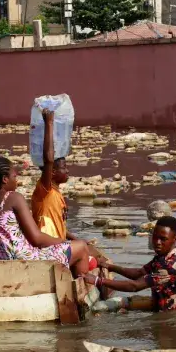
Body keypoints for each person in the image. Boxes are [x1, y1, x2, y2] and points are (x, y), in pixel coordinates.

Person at [0, 156, 90, 277]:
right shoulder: (14, 197)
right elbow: (37, 239)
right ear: (5, 179)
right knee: (82, 247)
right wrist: (64, 242)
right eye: (14, 177)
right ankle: (80, 289)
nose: (17, 181)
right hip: (23, 264)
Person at [31, 108, 109, 269]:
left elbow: (59, 226)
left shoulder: (56, 192)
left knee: (98, 255)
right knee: (96, 263)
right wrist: (49, 124)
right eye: (64, 168)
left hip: (60, 246)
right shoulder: (44, 190)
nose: (67, 171)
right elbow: (48, 159)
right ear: (52, 172)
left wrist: (76, 239)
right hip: (49, 251)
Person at [87, 216, 176, 311]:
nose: (157, 242)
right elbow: (139, 273)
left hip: (169, 319)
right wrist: (110, 267)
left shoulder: (170, 266)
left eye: (163, 239)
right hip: (157, 304)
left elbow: (135, 286)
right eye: (155, 237)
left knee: (99, 308)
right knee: (109, 305)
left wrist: (98, 281)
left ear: (175, 238)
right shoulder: (163, 257)